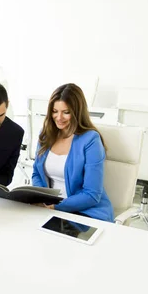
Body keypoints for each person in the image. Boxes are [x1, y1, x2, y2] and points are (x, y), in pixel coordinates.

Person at [31, 83, 114, 222]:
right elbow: (36, 174)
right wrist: (42, 200)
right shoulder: (45, 135)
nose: (59, 117)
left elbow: (92, 194)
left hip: (84, 212)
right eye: (55, 111)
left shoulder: (91, 140)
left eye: (66, 112)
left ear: (77, 112)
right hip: (49, 209)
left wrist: (55, 207)